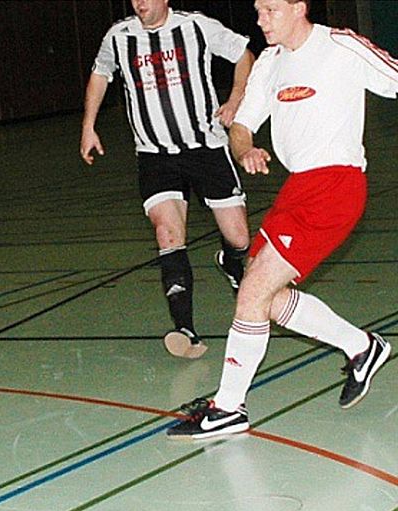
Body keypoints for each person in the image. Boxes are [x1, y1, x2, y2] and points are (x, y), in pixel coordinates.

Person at [167, 0, 397, 439]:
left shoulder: (341, 46)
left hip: (336, 186)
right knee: (265, 297)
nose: (260, 20)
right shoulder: (270, 62)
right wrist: (245, 150)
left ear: (298, 7)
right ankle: (361, 347)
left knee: (253, 291)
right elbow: (241, 128)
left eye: (270, 10)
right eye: (258, 11)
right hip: (296, 190)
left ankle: (228, 407)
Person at [81, 0, 255, 359]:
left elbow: (244, 55)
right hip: (155, 155)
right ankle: (185, 329)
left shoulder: (196, 27)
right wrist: (88, 126)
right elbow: (100, 74)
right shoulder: (119, 36)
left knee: (239, 237)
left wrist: (236, 98)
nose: (140, 3)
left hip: (206, 148)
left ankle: (230, 260)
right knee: (168, 234)